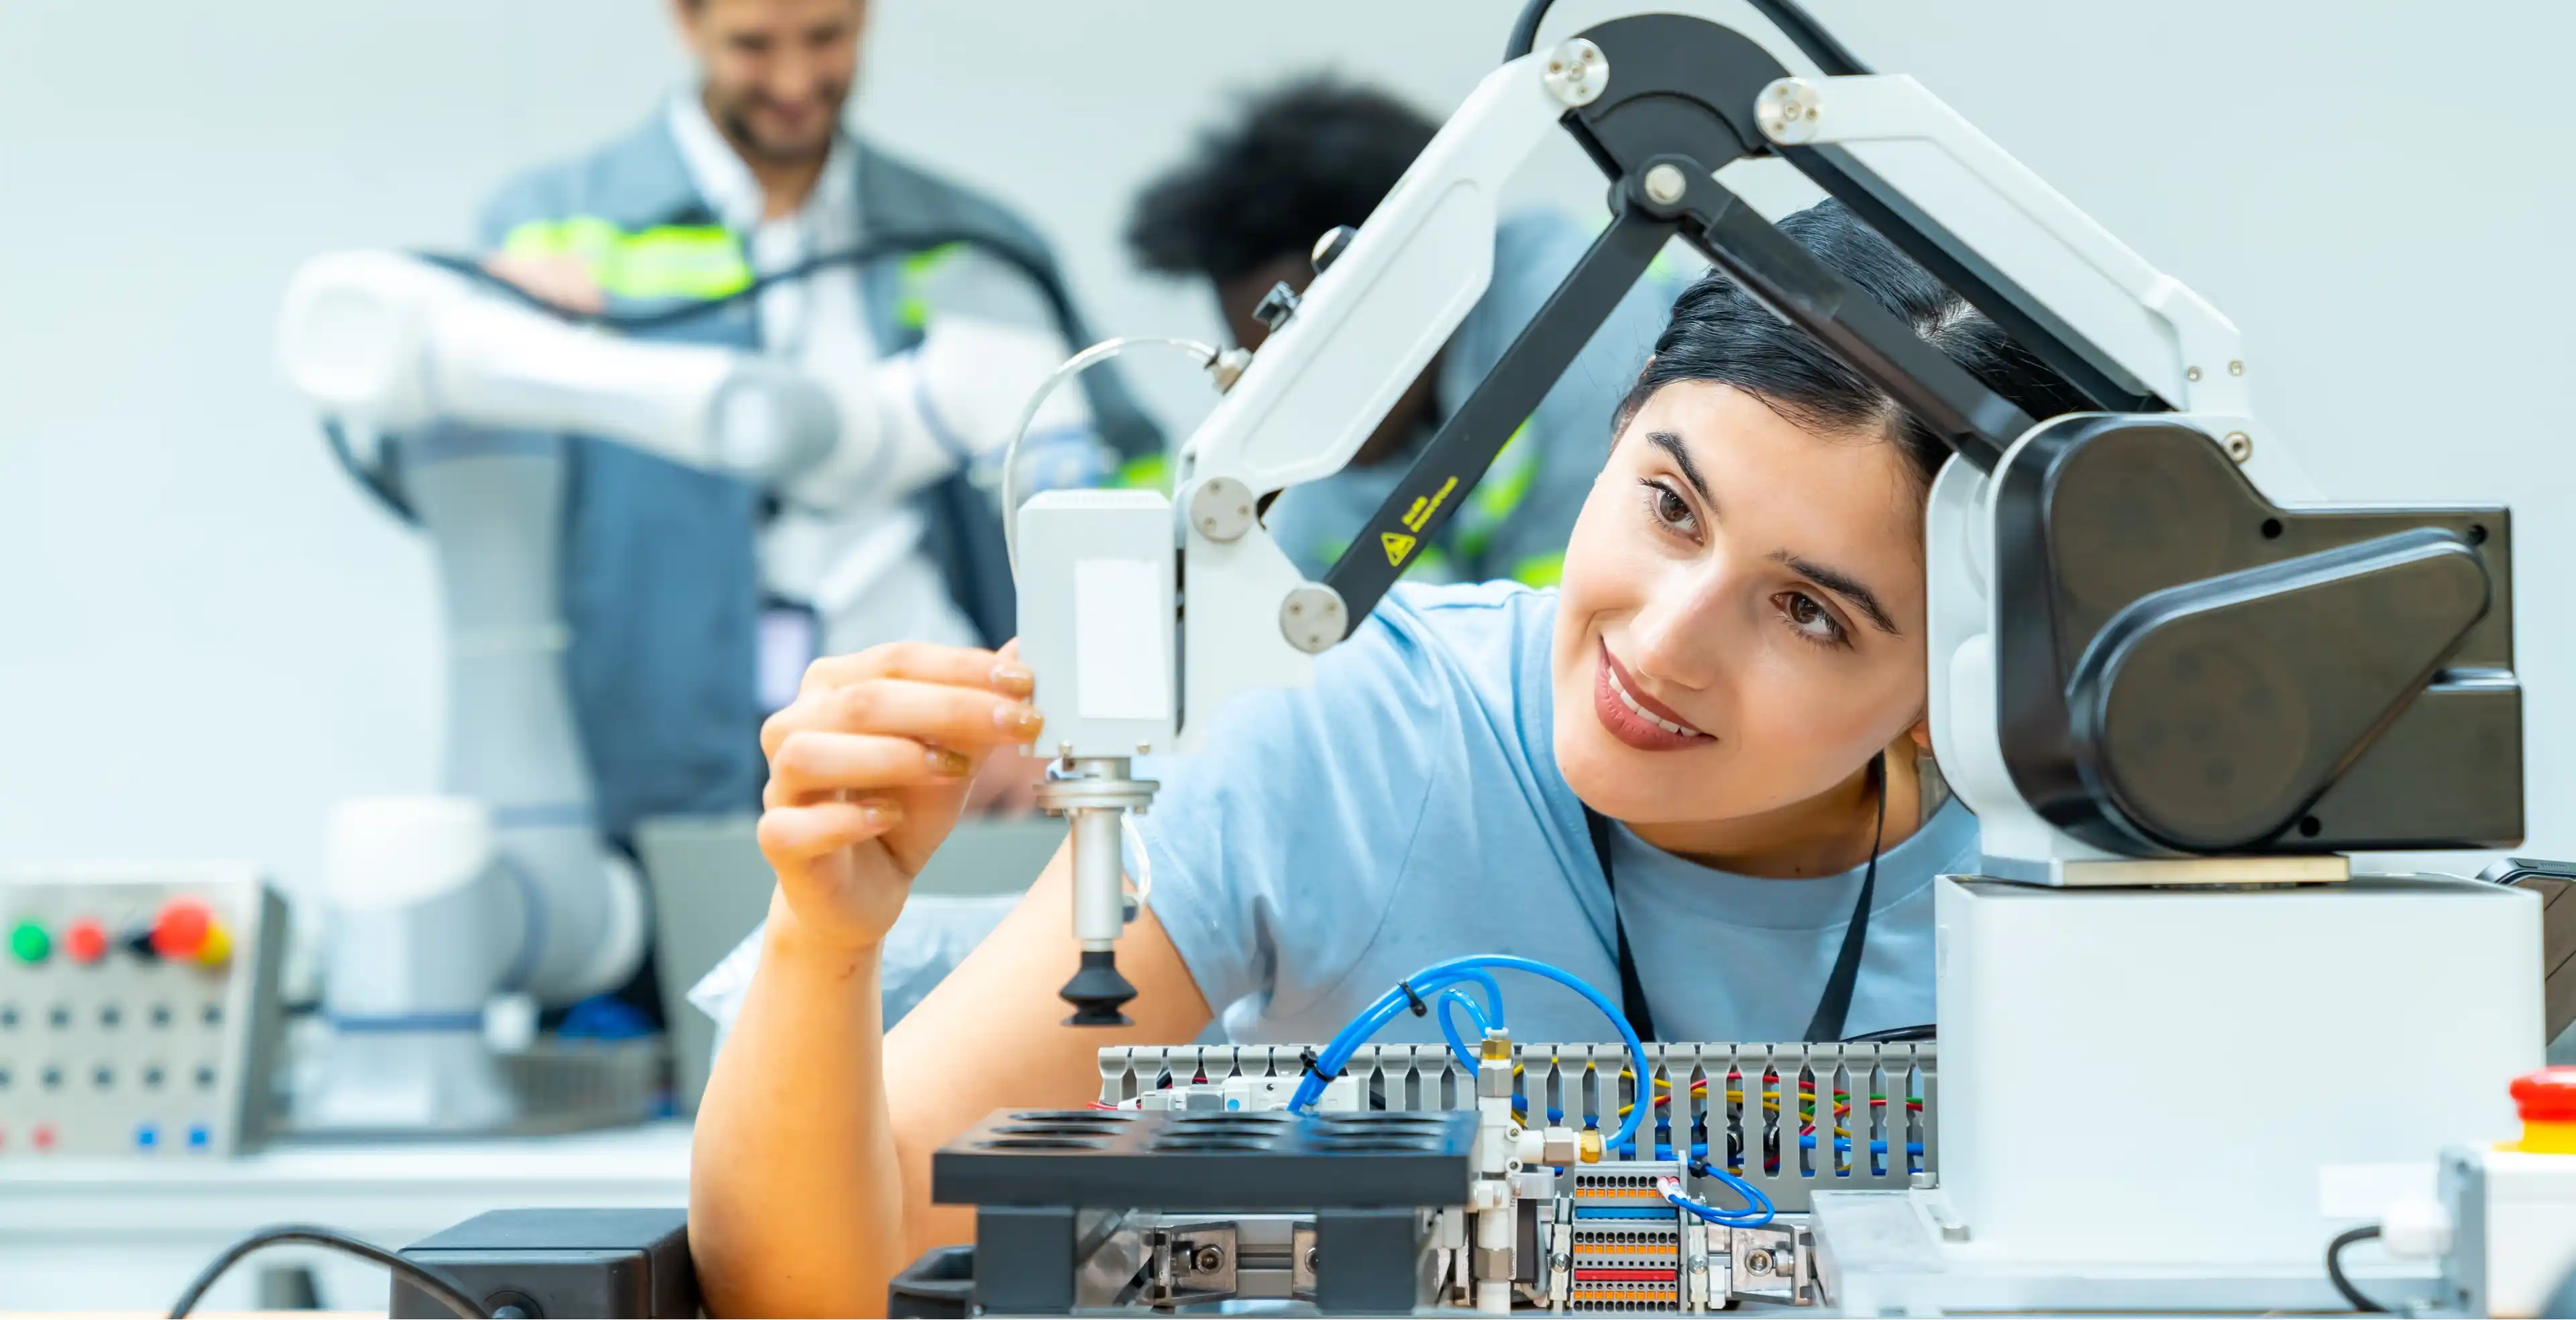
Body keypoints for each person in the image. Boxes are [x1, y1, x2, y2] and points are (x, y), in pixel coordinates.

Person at [687, 200, 2088, 1316]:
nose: (1664, 645)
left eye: (1808, 611)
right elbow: (823, 1274)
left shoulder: (2063, 900)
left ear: (1947, 687)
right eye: (1668, 504)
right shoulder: (1358, 737)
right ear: (1607, 439)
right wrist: (825, 937)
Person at [462, 0, 1158, 840]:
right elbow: (461, 500)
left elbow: (1121, 494)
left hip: (937, 774)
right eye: (753, 45)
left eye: (826, 37)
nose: (795, 81)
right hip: (663, 782)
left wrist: (1055, 717)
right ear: (685, 22)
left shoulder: (973, 240)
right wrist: (485, 342)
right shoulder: (555, 228)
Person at [1125, 77, 1690, 588]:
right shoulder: (1354, 438)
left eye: (1309, 364)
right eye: (1268, 372)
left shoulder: (1583, 336)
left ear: (1405, 281)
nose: (1293, 405)